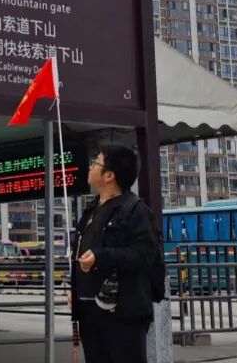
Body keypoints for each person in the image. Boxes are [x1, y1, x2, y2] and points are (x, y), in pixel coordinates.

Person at [69, 144, 158, 363]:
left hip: (123, 314)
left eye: (95, 163)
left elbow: (144, 255)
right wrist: (76, 289)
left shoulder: (136, 211)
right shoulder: (91, 210)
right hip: (90, 313)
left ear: (109, 175)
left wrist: (100, 257)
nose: (90, 167)